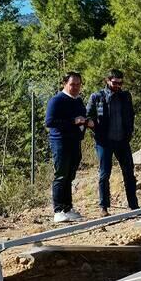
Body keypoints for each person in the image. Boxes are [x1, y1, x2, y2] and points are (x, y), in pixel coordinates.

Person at [87, 69, 139, 215]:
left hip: (122, 141)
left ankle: (134, 205)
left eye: (120, 83)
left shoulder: (125, 96)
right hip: (104, 142)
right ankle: (103, 206)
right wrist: (94, 127)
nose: (118, 85)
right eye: (115, 82)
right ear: (107, 80)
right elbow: (88, 116)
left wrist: (129, 132)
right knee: (104, 174)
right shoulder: (97, 96)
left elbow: (131, 114)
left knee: (129, 173)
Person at [44, 71, 91, 223]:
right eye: (72, 84)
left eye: (78, 84)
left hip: (75, 141)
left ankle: (67, 208)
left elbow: (81, 117)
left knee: (70, 176)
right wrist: (73, 121)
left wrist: (86, 122)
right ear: (65, 84)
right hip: (60, 142)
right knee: (61, 175)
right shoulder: (57, 100)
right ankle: (58, 211)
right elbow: (50, 122)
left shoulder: (78, 101)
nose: (76, 87)